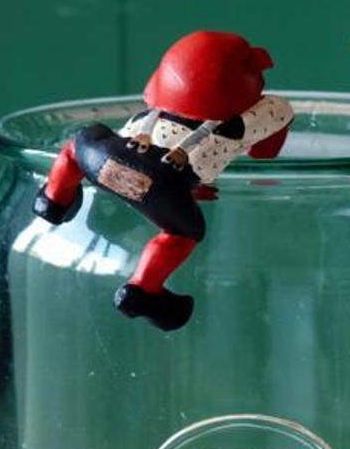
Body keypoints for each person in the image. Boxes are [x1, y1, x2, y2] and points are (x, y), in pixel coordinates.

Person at [35, 31, 291, 331]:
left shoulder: (152, 108)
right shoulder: (256, 116)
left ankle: (53, 199)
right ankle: (142, 289)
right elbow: (265, 151)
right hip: (162, 185)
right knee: (184, 232)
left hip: (105, 158)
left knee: (77, 144)